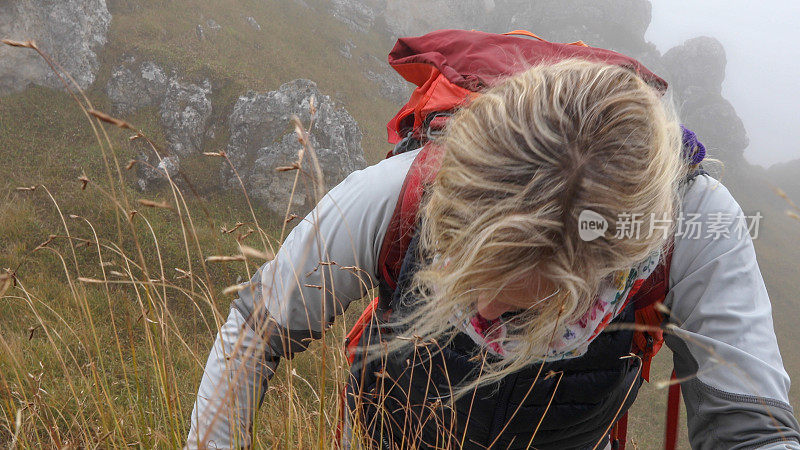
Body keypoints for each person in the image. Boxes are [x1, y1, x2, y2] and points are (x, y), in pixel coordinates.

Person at [186, 59, 800, 449]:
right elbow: (254, 333)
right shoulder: (392, 192)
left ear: (617, 267)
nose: (481, 307)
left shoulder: (698, 226)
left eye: (528, 306)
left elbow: (751, 429)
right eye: (465, 271)